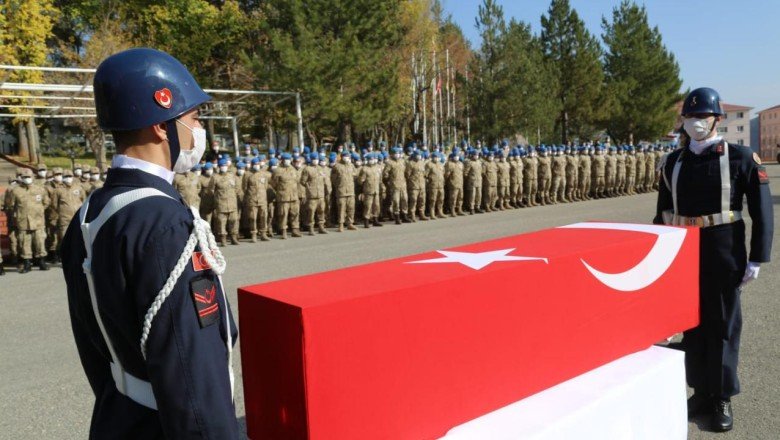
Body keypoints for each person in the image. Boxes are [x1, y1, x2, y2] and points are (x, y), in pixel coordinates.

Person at [60, 48, 238, 438]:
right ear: (161, 125)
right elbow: (195, 377)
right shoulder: (166, 225)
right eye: (193, 119)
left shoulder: (91, 213)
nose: (198, 131)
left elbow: (95, 350)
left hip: (120, 418)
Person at [654, 87, 773, 432]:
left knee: (722, 326)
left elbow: (762, 213)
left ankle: (721, 396)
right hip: (683, 251)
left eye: (702, 117)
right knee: (692, 327)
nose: (695, 123)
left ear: (717, 119)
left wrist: (757, 257)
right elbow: (662, 213)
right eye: (689, 117)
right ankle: (700, 391)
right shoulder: (672, 162)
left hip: (723, 249)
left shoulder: (740, 157)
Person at [8, 167, 50, 273]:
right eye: (25, 177)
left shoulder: (40, 189)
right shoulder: (15, 191)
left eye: (29, 177)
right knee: (24, 243)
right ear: (21, 178)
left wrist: (39, 210)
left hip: (38, 221)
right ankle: (27, 263)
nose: (27, 179)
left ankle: (41, 262)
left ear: (33, 177)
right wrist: (18, 214)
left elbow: (46, 202)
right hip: (23, 222)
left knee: (40, 241)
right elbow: (11, 205)